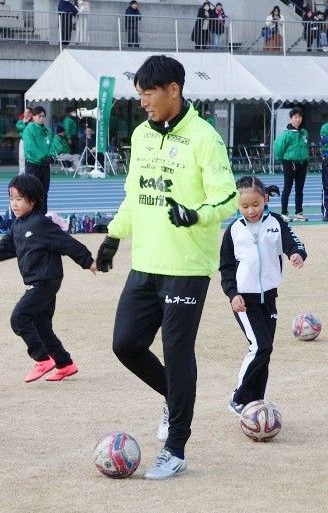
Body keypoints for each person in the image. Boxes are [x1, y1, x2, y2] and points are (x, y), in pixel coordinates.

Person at [96, 55, 238, 480]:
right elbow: (136, 195)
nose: (142, 101)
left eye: (148, 93)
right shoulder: (141, 136)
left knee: (177, 353)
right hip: (146, 262)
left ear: (173, 89)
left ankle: (175, 449)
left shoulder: (205, 139)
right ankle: (173, 396)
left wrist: (196, 214)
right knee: (125, 344)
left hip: (187, 266)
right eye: (138, 93)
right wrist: (113, 236)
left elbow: (228, 197)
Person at [0, 174, 96, 382]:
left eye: (19, 199)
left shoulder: (40, 224)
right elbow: (2, 248)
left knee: (19, 318)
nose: (14, 204)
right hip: (39, 281)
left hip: (45, 281)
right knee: (42, 326)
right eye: (11, 198)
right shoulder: (18, 226)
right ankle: (65, 364)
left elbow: (67, 243)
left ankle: (42, 359)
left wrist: (88, 261)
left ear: (33, 200)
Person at [220, 176, 306, 415]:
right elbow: (226, 267)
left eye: (255, 204)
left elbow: (292, 242)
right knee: (259, 346)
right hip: (244, 301)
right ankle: (239, 397)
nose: (250, 210)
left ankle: (256, 400)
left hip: (269, 298)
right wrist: (232, 294)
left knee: (265, 351)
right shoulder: (234, 231)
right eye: (244, 206)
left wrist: (297, 254)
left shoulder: (276, 222)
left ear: (265, 199)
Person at [274, 107, 309, 222]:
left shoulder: (304, 132)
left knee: (300, 189)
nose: (298, 119)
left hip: (302, 163)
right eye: (295, 117)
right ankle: (284, 212)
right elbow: (278, 148)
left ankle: (299, 213)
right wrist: (283, 160)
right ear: (291, 119)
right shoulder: (286, 134)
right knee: (287, 188)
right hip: (289, 163)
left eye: (299, 117)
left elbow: (306, 146)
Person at [22, 106, 53, 213]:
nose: (42, 118)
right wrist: (42, 157)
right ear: (33, 117)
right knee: (33, 191)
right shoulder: (29, 130)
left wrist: (51, 155)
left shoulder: (47, 130)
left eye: (43, 116)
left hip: (44, 165)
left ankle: (43, 214)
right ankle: (32, 215)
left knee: (44, 191)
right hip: (33, 165)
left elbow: (51, 145)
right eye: (39, 116)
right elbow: (30, 147)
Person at [16, 108, 33, 174]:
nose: (25, 113)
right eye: (24, 112)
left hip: (31, 141)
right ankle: (22, 172)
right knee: (21, 156)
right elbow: (18, 127)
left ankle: (30, 171)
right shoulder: (21, 121)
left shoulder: (33, 121)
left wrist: (29, 122)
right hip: (23, 140)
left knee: (30, 157)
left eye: (26, 112)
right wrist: (25, 122)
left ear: (30, 114)